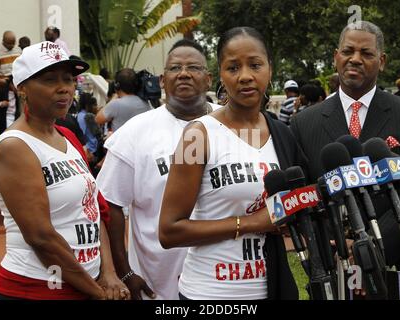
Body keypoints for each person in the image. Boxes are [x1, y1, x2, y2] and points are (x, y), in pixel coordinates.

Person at [159, 27, 305, 300]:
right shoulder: (197, 135)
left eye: (255, 64)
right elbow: (169, 231)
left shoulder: (283, 134)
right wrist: (251, 222)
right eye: (233, 67)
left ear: (270, 70)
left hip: (271, 287)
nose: (246, 76)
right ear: (221, 75)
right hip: (210, 293)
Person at [290, 21, 400, 299]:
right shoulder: (304, 123)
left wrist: (368, 243)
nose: (356, 59)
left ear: (381, 61)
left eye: (366, 53)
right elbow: (303, 195)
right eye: (348, 51)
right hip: (334, 267)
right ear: (336, 56)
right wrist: (334, 241)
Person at [0, 41, 129, 300]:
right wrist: (97, 294)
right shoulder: (15, 147)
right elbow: (41, 237)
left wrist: (109, 272)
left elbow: (92, 208)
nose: (64, 88)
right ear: (22, 88)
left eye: (68, 79)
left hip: (85, 283)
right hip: (36, 290)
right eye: (49, 79)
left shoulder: (66, 136)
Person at [96, 39, 221, 300]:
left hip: (224, 279)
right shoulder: (134, 132)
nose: (184, 73)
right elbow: (109, 204)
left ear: (208, 79)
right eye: (175, 68)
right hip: (160, 285)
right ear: (163, 81)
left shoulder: (233, 124)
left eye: (193, 68)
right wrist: (125, 272)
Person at [95, 68, 151, 133]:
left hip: (122, 142)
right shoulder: (146, 103)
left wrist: (113, 98)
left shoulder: (116, 104)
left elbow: (98, 119)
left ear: (117, 86)